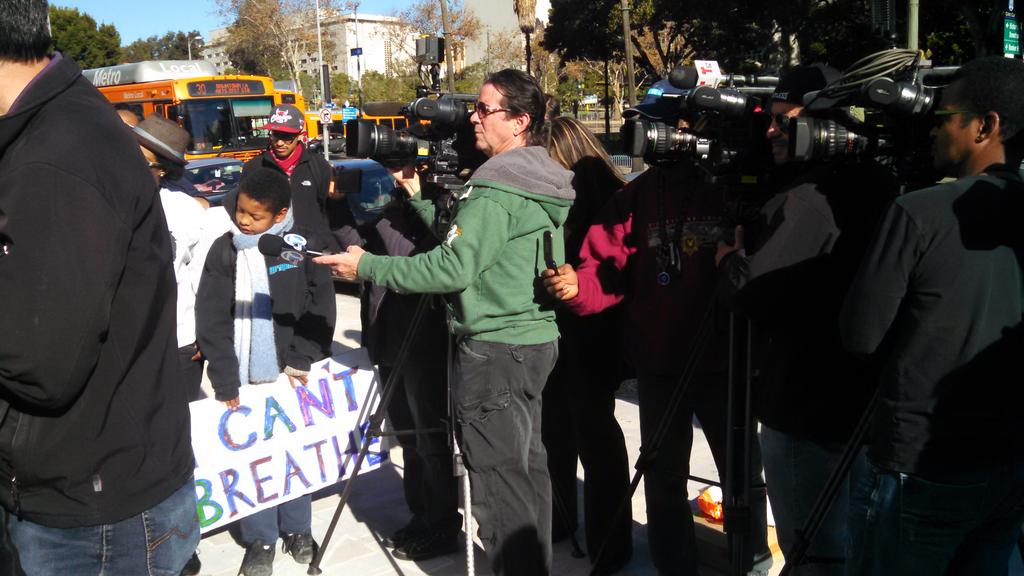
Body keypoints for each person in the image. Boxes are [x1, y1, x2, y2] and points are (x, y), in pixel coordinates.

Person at [314, 69, 575, 575]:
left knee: (499, 489)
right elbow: (478, 241)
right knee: (525, 474)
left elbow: (452, 267)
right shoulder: (535, 175)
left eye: (484, 109)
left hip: (495, 350)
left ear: (519, 121)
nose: (473, 118)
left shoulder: (498, 188)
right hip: (529, 342)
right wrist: (418, 197)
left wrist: (366, 267)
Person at [0, 1, 199, 574]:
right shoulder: (57, 129)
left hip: (96, 520)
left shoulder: (57, 155)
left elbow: (41, 365)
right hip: (95, 489)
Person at [542, 80, 770, 576]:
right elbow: (604, 269)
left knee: (742, 480)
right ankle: (674, 566)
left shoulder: (730, 187)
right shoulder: (635, 197)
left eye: (662, 126)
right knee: (663, 479)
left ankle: (750, 564)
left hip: (726, 365)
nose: (650, 138)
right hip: (660, 366)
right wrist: (576, 287)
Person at [840, 56, 1024, 576]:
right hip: (1008, 467)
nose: (931, 130)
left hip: (920, 468)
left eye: (943, 117)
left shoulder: (919, 213)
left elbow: (859, 336)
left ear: (985, 126)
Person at [714, 64, 895, 576]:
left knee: (813, 552)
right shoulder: (881, 183)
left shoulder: (808, 199)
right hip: (859, 408)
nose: (770, 131)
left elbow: (754, 294)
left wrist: (728, 262)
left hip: (804, 410)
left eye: (783, 120)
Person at [196, 167, 336, 576]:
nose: (243, 220)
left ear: (280, 215)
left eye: (254, 216)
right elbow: (211, 316)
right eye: (240, 210)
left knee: (293, 453)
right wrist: (224, 376)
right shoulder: (225, 250)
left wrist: (303, 355)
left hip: (293, 373)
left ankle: (298, 529)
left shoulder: (299, 246)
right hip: (243, 376)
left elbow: (320, 302)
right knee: (254, 458)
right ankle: (260, 538)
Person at [332, 166, 462, 561]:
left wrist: (418, 198)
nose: (395, 174)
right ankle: (421, 516)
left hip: (424, 343)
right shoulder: (390, 214)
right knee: (408, 437)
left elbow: (429, 258)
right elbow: (355, 248)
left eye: (405, 167)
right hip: (388, 339)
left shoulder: (441, 214)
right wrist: (336, 204)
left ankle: (442, 525)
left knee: (430, 440)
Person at [541, 116, 633, 573]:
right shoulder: (587, 192)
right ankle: (566, 524)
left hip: (592, 330)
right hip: (567, 329)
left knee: (592, 435)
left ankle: (608, 543)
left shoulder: (603, 199)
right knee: (560, 430)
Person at [133, 114, 211, 402]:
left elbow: (204, 278)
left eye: (143, 161)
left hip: (179, 343)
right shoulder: (101, 201)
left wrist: (206, 332)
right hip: (125, 345)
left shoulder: (186, 211)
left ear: (163, 170)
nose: (129, 164)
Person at [244, 103, 334, 249]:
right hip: (270, 251)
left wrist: (326, 244)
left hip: (312, 251)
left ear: (300, 135)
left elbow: (330, 211)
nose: (279, 143)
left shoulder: (318, 165)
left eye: (286, 137)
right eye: (275, 135)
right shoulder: (253, 168)